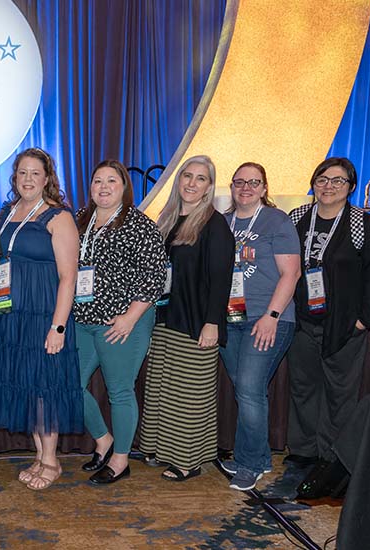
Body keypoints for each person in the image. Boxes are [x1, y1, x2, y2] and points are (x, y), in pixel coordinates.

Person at [0, 148, 84, 490]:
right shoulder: (7, 212)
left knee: (45, 386)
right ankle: (39, 456)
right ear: (15, 178)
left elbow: (69, 277)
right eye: (22, 173)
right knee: (26, 384)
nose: (28, 179)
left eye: (35, 173)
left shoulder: (59, 217)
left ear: (47, 178)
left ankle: (52, 461)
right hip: (11, 314)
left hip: (43, 314)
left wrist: (58, 326)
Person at [71, 159, 168, 485]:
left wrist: (130, 317)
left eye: (111, 181)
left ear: (124, 187)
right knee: (70, 384)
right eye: (98, 181)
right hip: (82, 319)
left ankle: (121, 460)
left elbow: (155, 277)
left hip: (123, 322)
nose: (103, 187)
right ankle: (103, 440)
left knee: (119, 392)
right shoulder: (81, 221)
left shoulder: (139, 225)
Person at [285, 157, 370, 469]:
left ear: (351, 187)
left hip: (344, 323)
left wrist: (362, 320)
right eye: (322, 179)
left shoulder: (362, 224)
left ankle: (332, 456)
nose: (329, 186)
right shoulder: (297, 217)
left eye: (338, 180)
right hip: (302, 320)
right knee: (303, 387)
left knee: (339, 394)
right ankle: (303, 450)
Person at [139, 155, 235, 481]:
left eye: (201, 178)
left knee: (190, 395)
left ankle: (187, 460)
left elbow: (221, 278)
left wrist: (212, 323)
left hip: (196, 322)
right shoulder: (166, 218)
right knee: (165, 390)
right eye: (187, 176)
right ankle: (163, 449)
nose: (192, 183)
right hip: (165, 319)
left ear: (209, 186)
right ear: (178, 181)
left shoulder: (214, 223)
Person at [216, 162, 301, 491]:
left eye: (254, 182)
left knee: (250, 390)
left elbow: (290, 274)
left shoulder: (277, 221)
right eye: (239, 182)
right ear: (232, 186)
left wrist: (271, 316)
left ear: (265, 188)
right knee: (245, 390)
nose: (246, 187)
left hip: (267, 319)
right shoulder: (222, 223)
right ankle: (257, 457)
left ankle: (250, 464)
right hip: (231, 319)